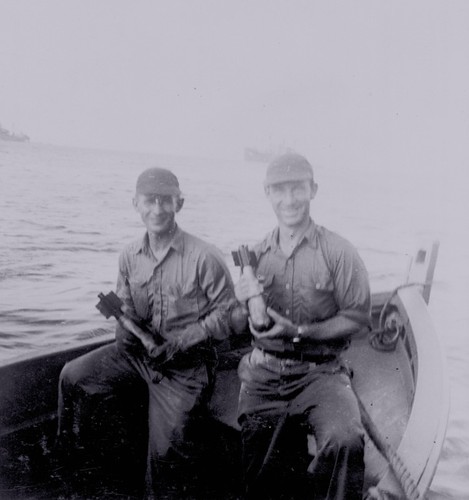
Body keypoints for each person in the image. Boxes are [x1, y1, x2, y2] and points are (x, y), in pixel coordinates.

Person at [57, 167, 236, 498]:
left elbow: (230, 315)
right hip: (139, 357)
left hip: (186, 369)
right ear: (135, 204)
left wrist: (185, 339)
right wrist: (128, 331)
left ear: (179, 204)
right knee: (72, 376)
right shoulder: (129, 255)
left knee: (166, 456)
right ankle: (70, 474)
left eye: (165, 201)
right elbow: (125, 309)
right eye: (149, 201)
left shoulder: (205, 258)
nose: (157, 209)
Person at [233, 153, 372, 500]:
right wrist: (239, 302)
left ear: (313, 190)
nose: (290, 199)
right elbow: (240, 323)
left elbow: (357, 318)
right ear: (267, 193)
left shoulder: (340, 252)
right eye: (280, 190)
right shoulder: (255, 255)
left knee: (345, 441)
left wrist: (298, 332)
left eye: (298, 189)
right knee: (259, 467)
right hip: (264, 376)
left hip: (320, 375)